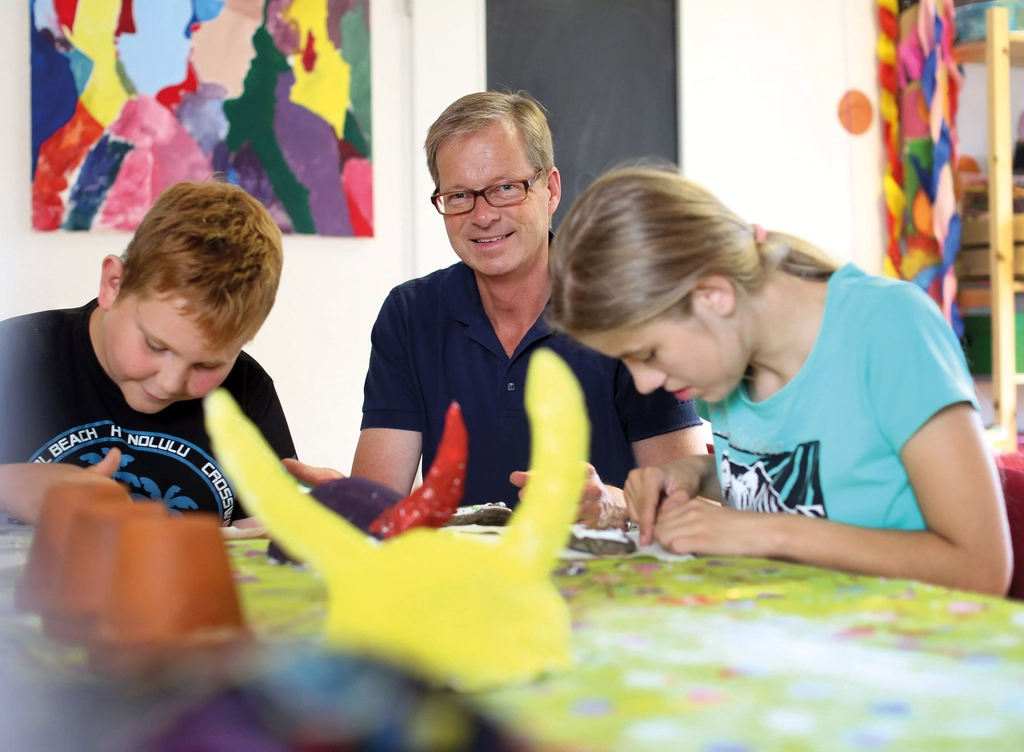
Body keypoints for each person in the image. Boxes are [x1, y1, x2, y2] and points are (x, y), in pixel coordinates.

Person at [546, 165, 1012, 595]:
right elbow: (812, 471)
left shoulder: (889, 328)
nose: (645, 384)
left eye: (647, 354)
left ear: (712, 295)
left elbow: (981, 569)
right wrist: (696, 474)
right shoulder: (729, 363)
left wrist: (766, 534)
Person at [286, 92, 707, 527]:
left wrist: (613, 503)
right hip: (460, 584)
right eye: (459, 195)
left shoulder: (626, 309)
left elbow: (694, 507)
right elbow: (381, 502)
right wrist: (347, 501)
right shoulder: (410, 314)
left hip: (603, 582)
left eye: (506, 188)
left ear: (551, 190)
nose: (482, 216)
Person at [0, 180, 295, 527]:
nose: (170, 383)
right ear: (115, 284)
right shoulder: (14, 356)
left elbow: (270, 543)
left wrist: (324, 524)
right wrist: (12, 485)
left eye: (207, 364)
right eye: (156, 346)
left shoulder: (248, 390)